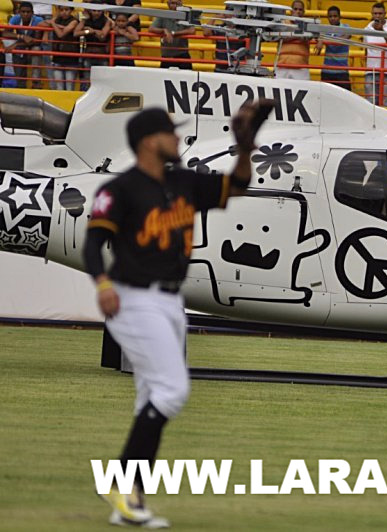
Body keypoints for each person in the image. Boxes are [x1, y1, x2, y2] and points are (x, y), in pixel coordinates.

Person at [83, 101, 273, 527]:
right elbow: (94, 242)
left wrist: (245, 147)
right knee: (172, 391)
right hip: (134, 298)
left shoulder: (184, 183)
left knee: (152, 396)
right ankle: (121, 484)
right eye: (171, 132)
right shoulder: (121, 189)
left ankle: (127, 500)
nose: (177, 138)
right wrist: (102, 283)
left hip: (171, 301)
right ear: (151, 141)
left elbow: (237, 187)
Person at [363, 2, 387, 106]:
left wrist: (381, 30)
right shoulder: (366, 29)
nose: (377, 16)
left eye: (380, 13)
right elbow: (366, 50)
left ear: (385, 14)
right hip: (371, 71)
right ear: (372, 14)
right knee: (370, 104)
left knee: (385, 105)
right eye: (375, 13)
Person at [3, 2, 43, 88]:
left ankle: (36, 84)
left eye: (28, 12)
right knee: (17, 52)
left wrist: (16, 44)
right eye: (23, 12)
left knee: (36, 49)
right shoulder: (15, 18)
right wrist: (21, 36)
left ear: (32, 13)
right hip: (21, 46)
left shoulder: (38, 20)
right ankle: (20, 85)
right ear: (19, 12)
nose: (25, 14)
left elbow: (36, 41)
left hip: (33, 46)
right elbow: (4, 33)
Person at [148, 0, 194, 69]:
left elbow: (192, 30)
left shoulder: (186, 15)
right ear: (168, 4)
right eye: (172, 3)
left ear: (181, 4)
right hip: (166, 55)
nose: (175, 6)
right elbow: (151, 29)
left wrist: (174, 33)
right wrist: (164, 30)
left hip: (182, 55)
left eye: (177, 4)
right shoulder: (163, 15)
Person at [74, 4, 110, 89]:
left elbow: (103, 36)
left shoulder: (106, 21)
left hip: (102, 54)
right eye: (94, 10)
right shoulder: (85, 21)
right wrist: (88, 32)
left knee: (102, 79)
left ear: (102, 11)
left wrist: (92, 31)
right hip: (88, 53)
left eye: (99, 11)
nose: (96, 13)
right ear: (90, 11)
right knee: (87, 78)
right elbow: (76, 33)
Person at [316, 6, 352, 91]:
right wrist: (321, 39)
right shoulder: (325, 30)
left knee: (344, 98)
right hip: (327, 71)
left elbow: (343, 39)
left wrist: (323, 39)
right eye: (330, 16)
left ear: (339, 17)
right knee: (326, 98)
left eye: (335, 16)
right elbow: (318, 51)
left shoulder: (346, 27)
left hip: (342, 71)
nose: (333, 18)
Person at [46, 4, 78, 90]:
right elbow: (41, 24)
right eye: (62, 10)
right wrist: (61, 26)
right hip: (58, 56)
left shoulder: (74, 21)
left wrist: (53, 23)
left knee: (69, 87)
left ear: (71, 11)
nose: (64, 12)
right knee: (58, 87)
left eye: (66, 10)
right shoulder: (57, 19)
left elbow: (61, 34)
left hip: (71, 56)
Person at [277, 0, 310, 80]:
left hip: (301, 67)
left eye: (300, 9)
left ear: (304, 12)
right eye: (295, 9)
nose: (297, 11)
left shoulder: (308, 24)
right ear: (291, 11)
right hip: (283, 66)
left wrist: (290, 34)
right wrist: (299, 33)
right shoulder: (283, 23)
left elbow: (309, 37)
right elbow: (279, 37)